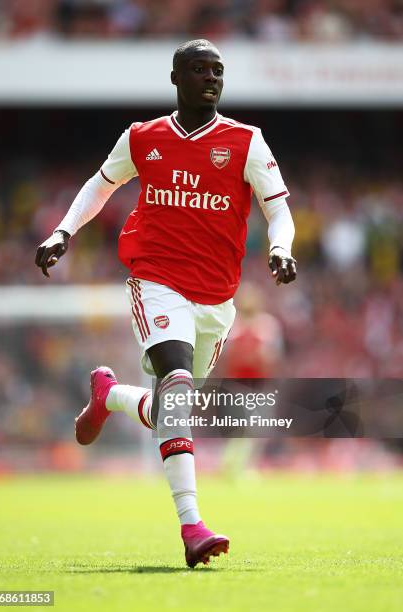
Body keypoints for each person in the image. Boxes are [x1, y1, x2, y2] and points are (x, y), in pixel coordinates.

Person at [35, 39, 297, 568]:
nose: (212, 78)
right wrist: (63, 231)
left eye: (218, 71)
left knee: (173, 409)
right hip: (156, 279)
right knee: (176, 385)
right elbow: (99, 185)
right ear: (176, 77)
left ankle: (109, 395)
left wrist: (279, 247)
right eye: (200, 69)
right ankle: (192, 525)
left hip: (218, 298)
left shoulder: (247, 142)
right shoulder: (142, 138)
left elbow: (280, 212)